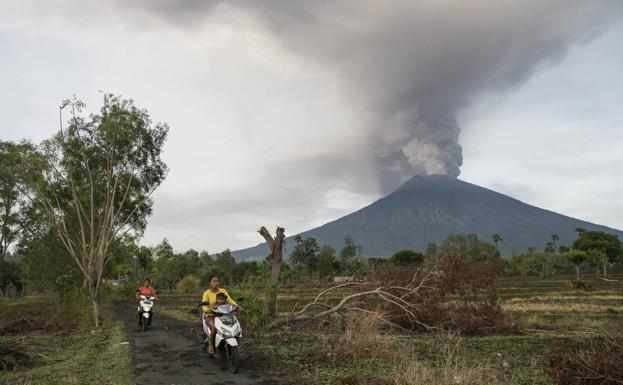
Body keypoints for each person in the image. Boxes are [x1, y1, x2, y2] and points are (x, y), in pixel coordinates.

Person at [202, 274, 238, 354]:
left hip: (223, 315)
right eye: (214, 281)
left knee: (232, 323)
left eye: (217, 281)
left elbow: (229, 300)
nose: (216, 283)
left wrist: (237, 305)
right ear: (210, 283)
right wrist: (208, 310)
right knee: (214, 327)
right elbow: (204, 307)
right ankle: (211, 345)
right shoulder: (206, 293)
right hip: (211, 316)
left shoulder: (223, 291)